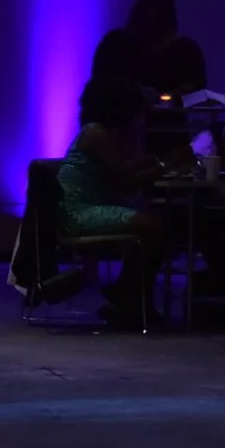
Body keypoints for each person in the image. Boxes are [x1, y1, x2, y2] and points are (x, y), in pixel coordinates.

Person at [59, 74, 168, 323]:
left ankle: (129, 297)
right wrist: (165, 164)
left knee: (155, 223)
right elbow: (128, 181)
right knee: (153, 226)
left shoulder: (103, 133)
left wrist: (147, 160)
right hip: (78, 212)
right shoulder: (96, 134)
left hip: (92, 206)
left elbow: (125, 169)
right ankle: (129, 297)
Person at [91, 0, 206, 101]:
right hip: (121, 117)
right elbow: (100, 84)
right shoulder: (115, 45)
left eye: (157, 21)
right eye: (147, 20)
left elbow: (196, 87)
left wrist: (163, 98)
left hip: (168, 118)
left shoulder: (186, 50)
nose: (150, 28)